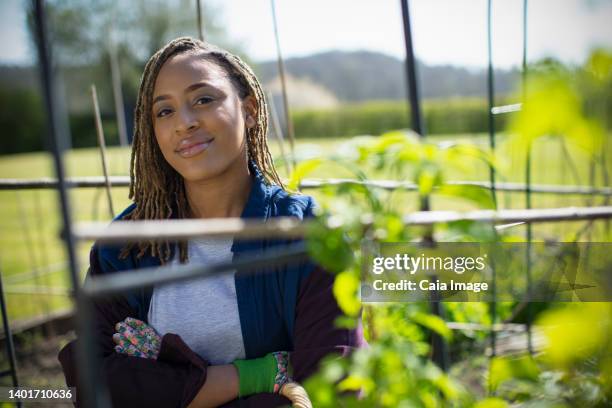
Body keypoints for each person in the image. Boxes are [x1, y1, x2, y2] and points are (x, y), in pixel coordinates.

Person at [58, 37, 364, 407]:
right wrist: (254, 376)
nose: (184, 123)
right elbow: (90, 381)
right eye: (164, 111)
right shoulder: (127, 246)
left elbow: (332, 386)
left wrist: (162, 379)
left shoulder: (309, 233)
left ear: (249, 109)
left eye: (203, 99)